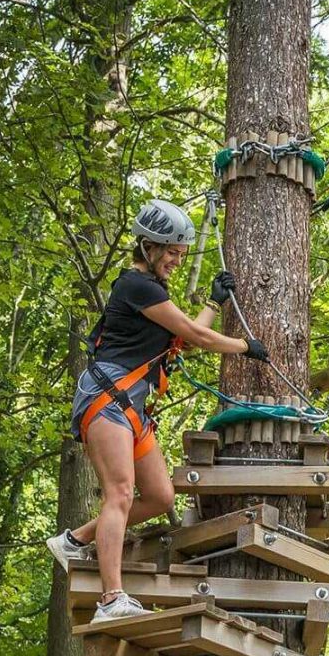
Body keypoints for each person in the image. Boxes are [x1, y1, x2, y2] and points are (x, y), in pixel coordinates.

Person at [46, 198, 269, 623]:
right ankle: (112, 601)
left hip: (129, 406)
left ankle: (75, 541)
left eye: (181, 255)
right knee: (121, 494)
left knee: (160, 495)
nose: (176, 261)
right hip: (107, 400)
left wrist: (215, 302)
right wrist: (245, 347)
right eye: (172, 252)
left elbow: (180, 335)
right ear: (149, 247)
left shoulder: (152, 292)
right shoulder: (136, 286)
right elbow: (192, 334)